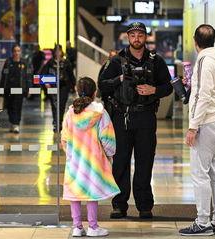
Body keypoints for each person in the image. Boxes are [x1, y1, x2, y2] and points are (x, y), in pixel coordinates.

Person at [98, 22, 173, 219]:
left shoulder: (157, 61)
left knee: (145, 162)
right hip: (121, 118)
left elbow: (168, 86)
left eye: (140, 35)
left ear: (146, 37)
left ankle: (144, 205)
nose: (136, 38)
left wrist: (154, 90)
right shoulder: (116, 61)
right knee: (120, 162)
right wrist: (119, 80)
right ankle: (119, 205)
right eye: (133, 35)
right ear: (127, 37)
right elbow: (102, 86)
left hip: (146, 117)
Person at [179, 24, 215, 236]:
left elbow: (202, 95)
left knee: (200, 174)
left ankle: (202, 222)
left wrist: (193, 126)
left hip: (207, 123)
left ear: (195, 40)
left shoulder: (204, 60)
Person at [61, 77, 120, 237]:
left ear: (76, 90)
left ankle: (77, 227)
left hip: (75, 160)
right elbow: (108, 139)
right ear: (95, 93)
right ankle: (93, 227)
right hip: (94, 161)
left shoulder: (70, 113)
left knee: (76, 191)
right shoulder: (100, 113)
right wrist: (109, 155)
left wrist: (71, 153)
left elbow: (64, 138)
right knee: (92, 192)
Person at [41, 44, 75, 132]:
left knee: (62, 105)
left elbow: (71, 76)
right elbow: (43, 73)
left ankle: (59, 122)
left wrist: (73, 86)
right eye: (56, 51)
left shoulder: (66, 62)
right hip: (53, 87)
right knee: (54, 105)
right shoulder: (50, 62)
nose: (57, 52)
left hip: (64, 87)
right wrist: (46, 83)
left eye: (59, 50)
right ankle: (56, 123)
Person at [0, 44, 30, 133]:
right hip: (9, 89)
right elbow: (4, 75)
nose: (17, 53)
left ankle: (16, 124)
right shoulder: (8, 62)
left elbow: (28, 76)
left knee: (17, 107)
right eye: (15, 51)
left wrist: (28, 88)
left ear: (20, 52)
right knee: (9, 107)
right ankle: (12, 123)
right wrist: (2, 88)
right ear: (12, 52)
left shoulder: (24, 63)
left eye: (18, 51)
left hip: (20, 89)